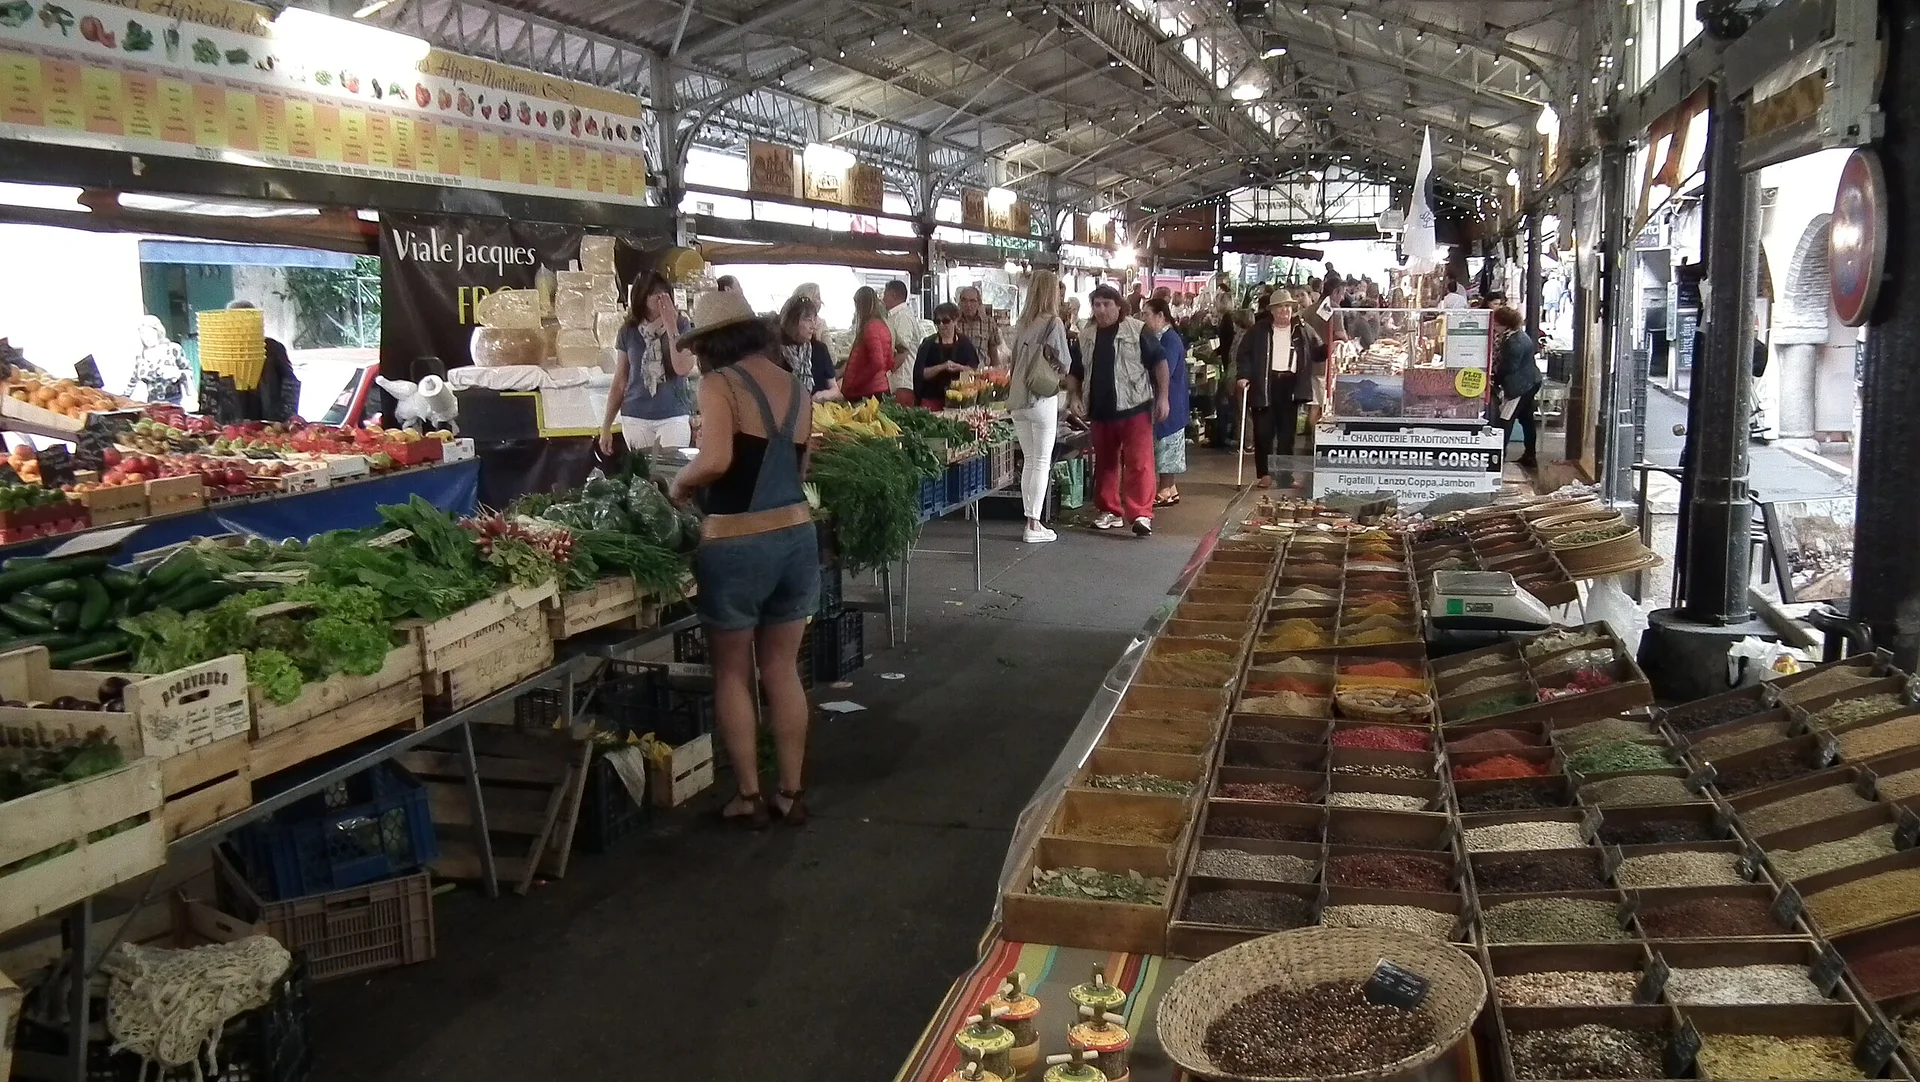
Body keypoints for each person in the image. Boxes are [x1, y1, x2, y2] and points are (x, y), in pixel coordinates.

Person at [667, 290, 816, 829]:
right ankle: (791, 794)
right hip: (797, 539)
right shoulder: (798, 388)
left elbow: (716, 460)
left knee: (732, 670)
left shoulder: (718, 384)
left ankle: (749, 797)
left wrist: (679, 485)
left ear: (711, 344)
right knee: (781, 667)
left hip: (736, 542)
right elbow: (799, 471)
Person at [1070, 284, 1168, 537]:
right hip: (1100, 409)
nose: (1102, 310)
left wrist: (1163, 398)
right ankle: (1110, 510)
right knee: (1105, 463)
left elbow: (1159, 362)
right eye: (1097, 304)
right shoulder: (1086, 335)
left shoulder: (1137, 330)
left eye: (1107, 304)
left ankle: (1141, 513)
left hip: (1134, 406)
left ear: (1119, 306)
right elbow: (1076, 371)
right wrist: (1074, 396)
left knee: (1139, 462)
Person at [1235, 293, 1324, 489]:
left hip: (1290, 385)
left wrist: (1332, 346)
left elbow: (1318, 351)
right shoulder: (1259, 330)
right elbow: (1243, 355)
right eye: (1280, 307)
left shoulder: (1302, 330)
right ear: (1272, 311)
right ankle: (1264, 474)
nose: (1285, 310)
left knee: (1287, 433)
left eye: (1288, 306)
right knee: (1263, 432)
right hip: (1264, 384)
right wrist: (1243, 376)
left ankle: (1285, 475)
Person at [1009, 269, 1072, 544]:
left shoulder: (1022, 322)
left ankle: (1029, 518)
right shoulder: (1053, 322)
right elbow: (1065, 361)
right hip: (1040, 397)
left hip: (1017, 399)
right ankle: (1033, 523)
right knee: (1042, 462)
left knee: (1030, 460)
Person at [600, 272, 694, 455]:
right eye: (654, 293)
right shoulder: (629, 331)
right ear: (642, 297)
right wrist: (606, 426)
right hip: (636, 415)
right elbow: (620, 381)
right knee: (645, 476)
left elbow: (683, 368)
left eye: (664, 292)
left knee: (670, 472)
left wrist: (671, 326)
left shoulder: (682, 325)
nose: (661, 297)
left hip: (673, 413)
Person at [222, 300, 299, 422]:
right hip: (233, 418)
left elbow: (290, 383)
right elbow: (211, 388)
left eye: (245, 321)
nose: (241, 326)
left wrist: (285, 418)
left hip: (267, 416)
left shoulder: (272, 348)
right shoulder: (219, 351)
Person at [1143, 297, 1188, 507]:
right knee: (1166, 445)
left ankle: (1165, 489)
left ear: (1160, 316)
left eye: (1146, 314)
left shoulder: (1169, 339)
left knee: (1168, 446)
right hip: (1169, 398)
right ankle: (1169, 488)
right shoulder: (1162, 337)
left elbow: (1165, 369)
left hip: (1170, 399)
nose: (1143, 319)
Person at [1492, 304, 1542, 469]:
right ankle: (1530, 455)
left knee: (1506, 419)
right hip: (1530, 382)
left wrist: (1495, 374)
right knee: (1527, 420)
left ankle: (1499, 456)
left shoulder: (1515, 342)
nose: (1494, 327)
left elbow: (1509, 367)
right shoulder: (1517, 335)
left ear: (1504, 324)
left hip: (1520, 386)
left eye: (1496, 324)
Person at [913, 302, 982, 410]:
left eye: (945, 321)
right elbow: (921, 373)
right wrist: (942, 367)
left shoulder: (965, 343)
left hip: (960, 400)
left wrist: (959, 367)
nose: (941, 325)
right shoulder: (928, 344)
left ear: (955, 321)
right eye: (937, 321)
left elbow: (973, 370)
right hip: (932, 399)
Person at [776, 293, 840, 401]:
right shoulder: (776, 352)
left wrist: (822, 395)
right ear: (792, 321)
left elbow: (835, 390)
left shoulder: (820, 349)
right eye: (808, 320)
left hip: (817, 412)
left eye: (814, 319)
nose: (813, 326)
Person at [841, 285, 894, 401]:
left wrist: (856, 382)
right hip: (882, 387)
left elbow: (877, 362)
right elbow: (889, 361)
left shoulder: (870, 327)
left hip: (867, 392)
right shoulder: (883, 326)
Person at [883, 280, 920, 406]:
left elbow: (902, 351)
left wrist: (887, 373)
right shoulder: (895, 315)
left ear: (893, 295)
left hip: (902, 381)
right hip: (897, 381)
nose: (883, 298)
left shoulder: (902, 317)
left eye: (885, 294)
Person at [953, 285, 1005, 368]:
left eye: (972, 301)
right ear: (959, 302)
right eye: (964, 300)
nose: (968, 305)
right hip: (958, 373)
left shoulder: (989, 323)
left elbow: (993, 354)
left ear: (979, 303)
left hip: (981, 373)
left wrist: (997, 372)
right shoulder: (952, 322)